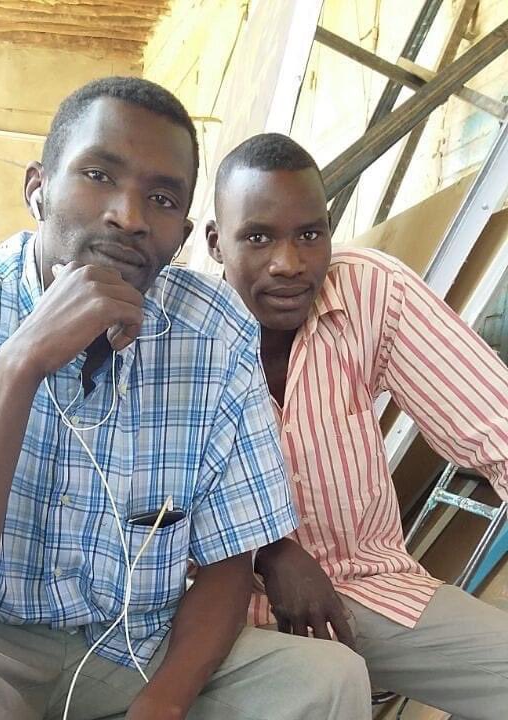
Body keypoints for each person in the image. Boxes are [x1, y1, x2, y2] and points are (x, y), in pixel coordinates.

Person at [0, 81, 371, 720]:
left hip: (135, 647)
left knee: (327, 680)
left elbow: (228, 561)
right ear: (38, 187)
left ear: (183, 234)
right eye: (99, 175)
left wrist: (161, 705)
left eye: (162, 199)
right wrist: (20, 366)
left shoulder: (212, 329)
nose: (129, 216)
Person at [207, 131, 508, 720]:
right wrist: (268, 549)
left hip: (367, 589)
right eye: (259, 237)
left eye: (309, 234)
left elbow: (494, 423)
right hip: (221, 608)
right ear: (217, 243)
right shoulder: (180, 331)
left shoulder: (371, 290)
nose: (289, 264)